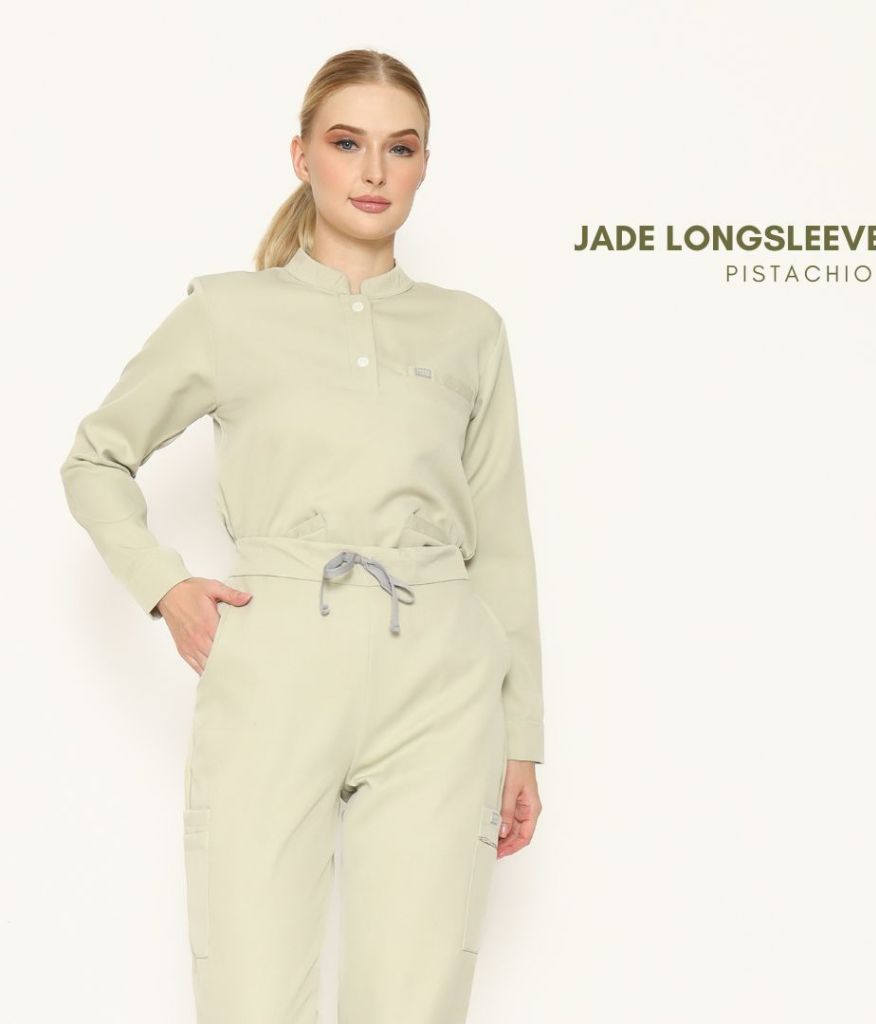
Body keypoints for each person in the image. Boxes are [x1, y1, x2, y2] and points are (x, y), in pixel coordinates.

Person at [58, 49, 544, 1024]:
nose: (373, 171)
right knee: (249, 993)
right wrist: (165, 585)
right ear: (302, 156)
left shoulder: (470, 331)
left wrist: (522, 738)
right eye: (347, 142)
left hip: (442, 682)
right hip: (275, 666)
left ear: (424, 164)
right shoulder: (228, 313)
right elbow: (95, 458)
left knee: (413, 1001)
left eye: (399, 148)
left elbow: (500, 538)